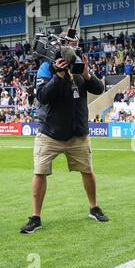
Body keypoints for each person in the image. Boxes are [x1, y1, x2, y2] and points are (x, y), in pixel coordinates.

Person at [20, 31, 108, 234]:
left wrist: (86, 74)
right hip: (50, 132)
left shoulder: (79, 63)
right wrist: (58, 75)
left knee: (87, 170)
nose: (71, 47)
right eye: (67, 43)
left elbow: (99, 88)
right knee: (40, 172)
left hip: (77, 132)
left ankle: (94, 207)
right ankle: (36, 217)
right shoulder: (45, 67)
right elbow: (43, 96)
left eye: (74, 43)